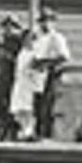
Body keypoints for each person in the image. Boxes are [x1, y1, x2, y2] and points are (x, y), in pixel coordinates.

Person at [32, 8, 71, 140]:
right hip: (37, 76)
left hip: (50, 75)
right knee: (38, 106)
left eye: (48, 21)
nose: (45, 24)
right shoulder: (39, 38)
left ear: (53, 23)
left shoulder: (57, 38)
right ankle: (39, 134)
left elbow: (64, 56)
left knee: (48, 107)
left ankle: (47, 136)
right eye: (43, 21)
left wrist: (46, 63)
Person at [0, 15, 22, 140]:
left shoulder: (17, 42)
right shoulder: (0, 42)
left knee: (12, 105)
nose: (8, 29)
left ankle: (12, 132)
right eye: (6, 26)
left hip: (13, 78)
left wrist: (8, 56)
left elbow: (21, 60)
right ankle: (2, 130)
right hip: (1, 78)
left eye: (11, 26)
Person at [10, 24, 42, 140]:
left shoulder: (36, 54)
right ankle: (23, 130)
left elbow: (38, 71)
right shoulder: (21, 53)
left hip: (30, 85)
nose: (29, 42)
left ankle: (29, 131)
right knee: (20, 110)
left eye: (31, 39)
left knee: (29, 109)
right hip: (20, 84)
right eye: (26, 39)